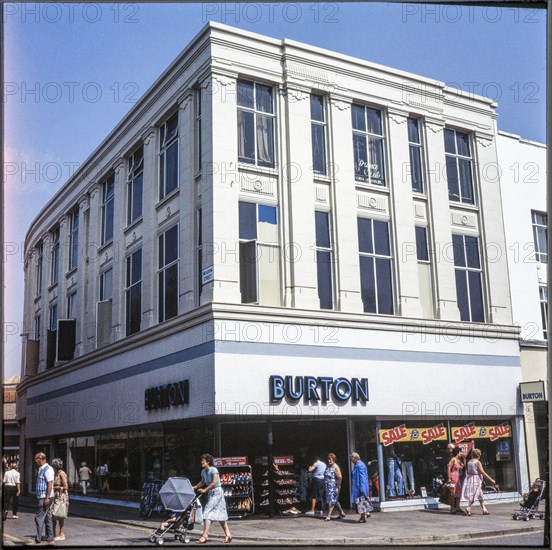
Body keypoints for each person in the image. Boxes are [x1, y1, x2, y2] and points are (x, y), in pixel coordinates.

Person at [192, 454, 232, 544]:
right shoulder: (203, 471)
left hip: (217, 492)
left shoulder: (214, 470)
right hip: (211, 493)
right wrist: (194, 487)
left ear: (208, 462)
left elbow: (214, 482)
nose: (201, 462)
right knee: (220, 514)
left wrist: (205, 490)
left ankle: (205, 535)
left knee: (207, 511)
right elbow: (202, 482)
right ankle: (228, 534)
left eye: (203, 461)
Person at [461, 448, 495, 516]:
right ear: (479, 455)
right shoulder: (477, 462)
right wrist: (491, 479)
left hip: (470, 478)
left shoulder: (469, 462)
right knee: (475, 494)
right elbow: (482, 472)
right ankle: (468, 508)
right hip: (476, 479)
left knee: (480, 494)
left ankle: (484, 509)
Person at [34, 452, 55, 544]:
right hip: (42, 496)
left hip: (45, 497)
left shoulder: (48, 469)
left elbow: (50, 484)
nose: (35, 461)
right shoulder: (41, 469)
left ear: (41, 459)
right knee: (47, 517)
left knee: (38, 517)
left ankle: (38, 538)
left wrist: (46, 498)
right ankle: (49, 536)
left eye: (36, 459)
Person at [350, 452, 372, 523]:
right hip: (358, 486)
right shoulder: (358, 465)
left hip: (360, 487)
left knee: (361, 502)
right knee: (360, 502)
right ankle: (363, 516)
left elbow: (362, 477)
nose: (351, 460)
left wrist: (362, 488)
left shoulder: (360, 465)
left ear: (355, 458)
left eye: (352, 458)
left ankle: (364, 516)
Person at [323, 453, 345, 521]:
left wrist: (337, 487)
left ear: (334, 459)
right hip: (328, 487)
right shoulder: (328, 466)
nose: (329, 461)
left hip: (334, 486)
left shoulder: (335, 467)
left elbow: (340, 477)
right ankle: (341, 512)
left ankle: (329, 515)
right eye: (328, 459)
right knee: (334, 501)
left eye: (330, 459)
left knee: (331, 501)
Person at [51, 458, 69, 541]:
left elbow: (66, 486)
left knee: (60, 515)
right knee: (54, 515)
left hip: (60, 497)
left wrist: (55, 487)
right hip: (55, 496)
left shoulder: (61, 474)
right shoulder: (56, 473)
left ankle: (62, 534)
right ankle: (53, 533)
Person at [447, 447, 464, 514]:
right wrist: (449, 478)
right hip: (453, 476)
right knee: (453, 493)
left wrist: (464, 458)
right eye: (460, 452)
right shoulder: (453, 459)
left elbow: (463, 466)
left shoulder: (458, 460)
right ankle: (452, 508)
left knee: (458, 492)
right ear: (458, 452)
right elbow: (448, 468)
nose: (461, 453)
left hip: (457, 477)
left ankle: (458, 507)